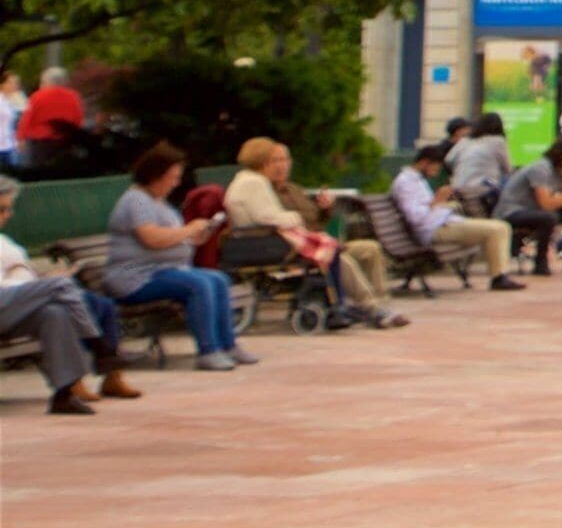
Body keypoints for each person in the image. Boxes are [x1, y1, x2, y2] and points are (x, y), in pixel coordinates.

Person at [102, 145, 257, 371]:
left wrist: (196, 236)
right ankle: (208, 350)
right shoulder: (135, 201)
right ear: (155, 176)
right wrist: (188, 230)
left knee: (218, 279)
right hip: (136, 278)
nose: (175, 183)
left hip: (164, 270)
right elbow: (151, 238)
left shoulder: (158, 202)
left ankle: (228, 344)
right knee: (198, 285)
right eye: (172, 177)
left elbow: (173, 237)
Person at [223, 139, 403, 329]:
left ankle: (380, 304)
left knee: (369, 248)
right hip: (278, 245)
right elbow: (269, 217)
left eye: (285, 160)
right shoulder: (258, 184)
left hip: (305, 239)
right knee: (339, 258)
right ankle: (369, 308)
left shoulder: (290, 188)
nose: (281, 165)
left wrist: (324, 209)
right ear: (264, 162)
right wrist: (295, 218)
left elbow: (314, 219)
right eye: (275, 160)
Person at [0, 176, 136, 411]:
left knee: (54, 313)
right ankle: (101, 348)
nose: (8, 214)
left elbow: (15, 277)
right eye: (2, 209)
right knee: (59, 287)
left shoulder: (3, 239)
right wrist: (39, 283)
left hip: (12, 304)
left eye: (9, 208)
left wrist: (37, 279)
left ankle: (64, 394)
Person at [389, 144, 522, 289]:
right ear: (424, 162)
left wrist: (442, 203)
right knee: (495, 230)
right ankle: (498, 277)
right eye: (435, 167)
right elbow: (416, 217)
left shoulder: (417, 180)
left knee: (502, 227)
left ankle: (501, 275)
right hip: (433, 229)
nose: (436, 171)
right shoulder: (405, 182)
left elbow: (426, 207)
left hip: (443, 222)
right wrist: (438, 202)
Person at [496, 138, 562, 275]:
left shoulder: (558, 171)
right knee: (548, 217)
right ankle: (540, 263)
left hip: (533, 210)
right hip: (513, 211)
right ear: (560, 154)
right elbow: (546, 204)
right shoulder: (541, 169)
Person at [19, 68, 87, 169]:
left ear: (47, 82)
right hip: (65, 142)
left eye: (42, 82)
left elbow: (26, 119)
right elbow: (78, 119)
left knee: (40, 171)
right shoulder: (73, 97)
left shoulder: (37, 97)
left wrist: (21, 138)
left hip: (41, 143)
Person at [447, 112, 515, 207]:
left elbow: (449, 160)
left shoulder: (465, 141)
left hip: (457, 188)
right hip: (482, 191)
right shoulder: (498, 141)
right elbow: (508, 168)